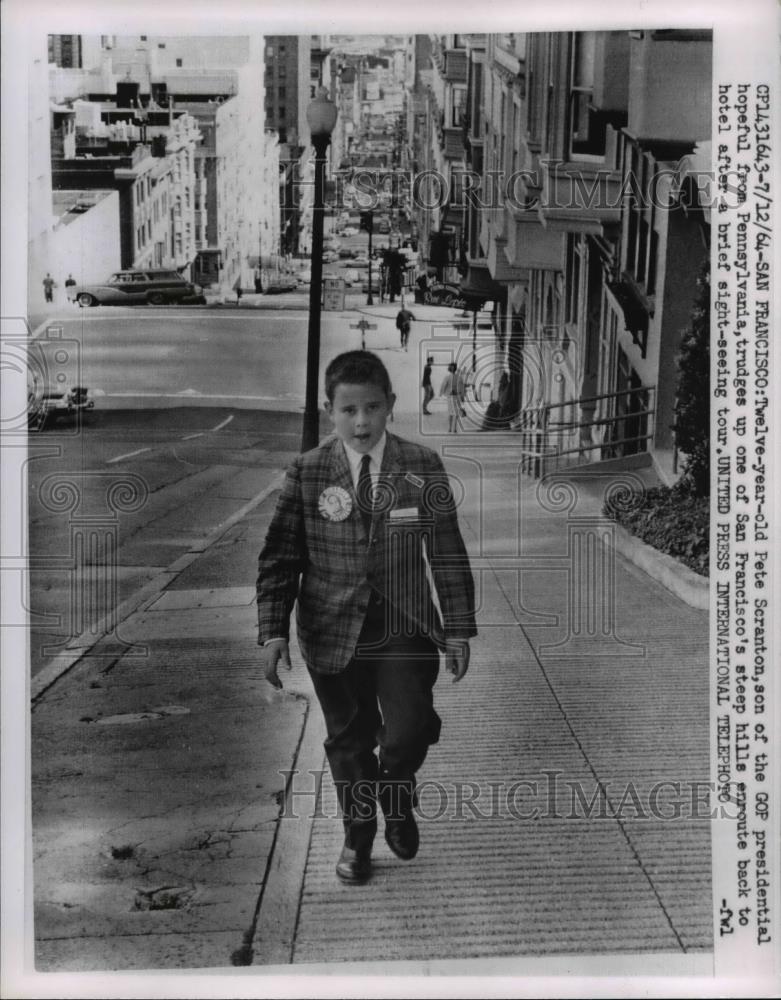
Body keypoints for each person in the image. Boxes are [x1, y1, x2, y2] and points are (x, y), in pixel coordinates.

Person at [256, 350, 476, 885]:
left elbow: (445, 550)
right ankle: (358, 839)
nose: (361, 422)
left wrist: (458, 628)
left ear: (390, 407)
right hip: (331, 631)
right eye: (348, 410)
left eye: (372, 408)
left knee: (409, 729)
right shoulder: (308, 473)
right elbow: (281, 557)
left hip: (403, 627)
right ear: (329, 410)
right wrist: (272, 632)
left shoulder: (421, 466)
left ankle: (395, 794)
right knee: (348, 739)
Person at [440, 362, 466, 433]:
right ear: (455, 369)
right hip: (457, 397)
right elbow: (462, 388)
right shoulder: (459, 377)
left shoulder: (447, 377)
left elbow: (443, 386)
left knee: (450, 413)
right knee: (456, 413)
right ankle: (454, 428)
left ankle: (449, 428)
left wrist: (443, 394)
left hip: (450, 397)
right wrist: (462, 397)